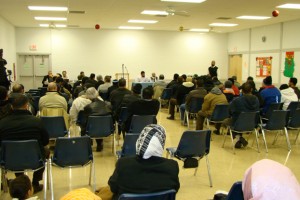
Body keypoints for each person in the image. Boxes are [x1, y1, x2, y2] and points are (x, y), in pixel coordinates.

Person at [107, 124, 180, 200]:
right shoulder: (172, 167)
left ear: (140, 141)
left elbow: (113, 187)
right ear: (161, 144)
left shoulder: (123, 164)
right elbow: (175, 189)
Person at [0, 94, 49, 193]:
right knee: (46, 151)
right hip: (35, 159)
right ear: (27, 106)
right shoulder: (36, 121)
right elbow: (45, 141)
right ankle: (35, 182)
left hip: (9, 159)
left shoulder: (2, 123)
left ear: (12, 107)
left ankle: (20, 179)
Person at [226, 82, 260, 148]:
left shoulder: (237, 100)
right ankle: (239, 140)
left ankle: (239, 138)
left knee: (226, 121)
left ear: (242, 90)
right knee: (239, 119)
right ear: (251, 90)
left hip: (238, 124)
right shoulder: (256, 100)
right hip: (253, 124)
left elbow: (229, 111)